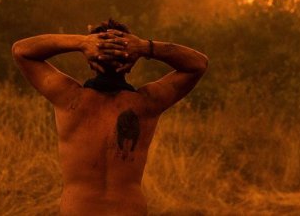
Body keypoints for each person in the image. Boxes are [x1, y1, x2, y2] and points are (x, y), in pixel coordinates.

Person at [12, 19, 208, 216]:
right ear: (131, 62)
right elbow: (198, 64)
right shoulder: (147, 104)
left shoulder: (68, 98)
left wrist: (82, 43)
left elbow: (22, 51)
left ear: (91, 60)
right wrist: (144, 47)